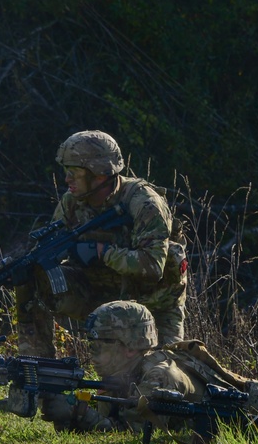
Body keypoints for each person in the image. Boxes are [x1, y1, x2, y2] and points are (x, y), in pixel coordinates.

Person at [16, 130, 187, 359]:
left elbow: (153, 266)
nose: (67, 180)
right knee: (32, 277)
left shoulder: (144, 203)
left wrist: (102, 252)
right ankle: (37, 370)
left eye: (74, 173)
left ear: (99, 175)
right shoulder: (71, 203)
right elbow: (52, 247)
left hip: (153, 303)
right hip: (98, 291)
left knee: (162, 375)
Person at [40, 300, 258, 444]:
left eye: (98, 345)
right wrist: (67, 413)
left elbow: (134, 435)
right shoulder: (124, 374)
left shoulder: (159, 377)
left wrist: (82, 415)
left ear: (130, 347)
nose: (92, 353)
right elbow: (112, 423)